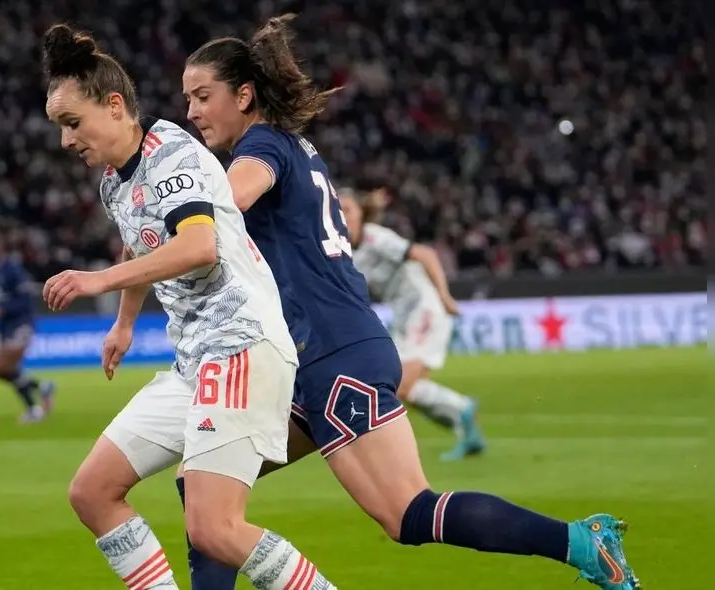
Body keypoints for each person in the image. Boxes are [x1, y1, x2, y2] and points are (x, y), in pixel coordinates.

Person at [178, 13, 639, 590]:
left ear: (244, 95)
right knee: (203, 489)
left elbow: (229, 204)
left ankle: (577, 542)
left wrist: (160, 218)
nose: (191, 113)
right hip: (314, 357)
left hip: (333, 355)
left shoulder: (261, 147)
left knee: (409, 513)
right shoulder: (291, 146)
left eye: (202, 96)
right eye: (187, 99)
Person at [39, 23, 337, 590]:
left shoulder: (170, 153)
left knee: (214, 528)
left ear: (115, 105)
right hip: (196, 363)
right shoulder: (113, 180)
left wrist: (97, 281)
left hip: (242, 349)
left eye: (71, 124)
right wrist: (125, 323)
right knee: (93, 492)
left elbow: (198, 245)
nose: (65, 141)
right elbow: (139, 237)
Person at [339, 187, 486, 461]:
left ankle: (462, 409)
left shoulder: (375, 237)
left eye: (347, 209)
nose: (341, 216)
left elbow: (426, 254)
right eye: (337, 210)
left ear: (361, 215)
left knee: (399, 384)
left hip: (424, 309)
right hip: (404, 316)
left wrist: (444, 295)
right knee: (404, 387)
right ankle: (466, 429)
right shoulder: (344, 251)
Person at [0, 228, 56, 424]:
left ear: (0, 246)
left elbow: (25, 299)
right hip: (1, 326)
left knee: (6, 365)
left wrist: (3, 309)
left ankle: (33, 409)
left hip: (20, 323)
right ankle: (41, 387)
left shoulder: (12, 269)